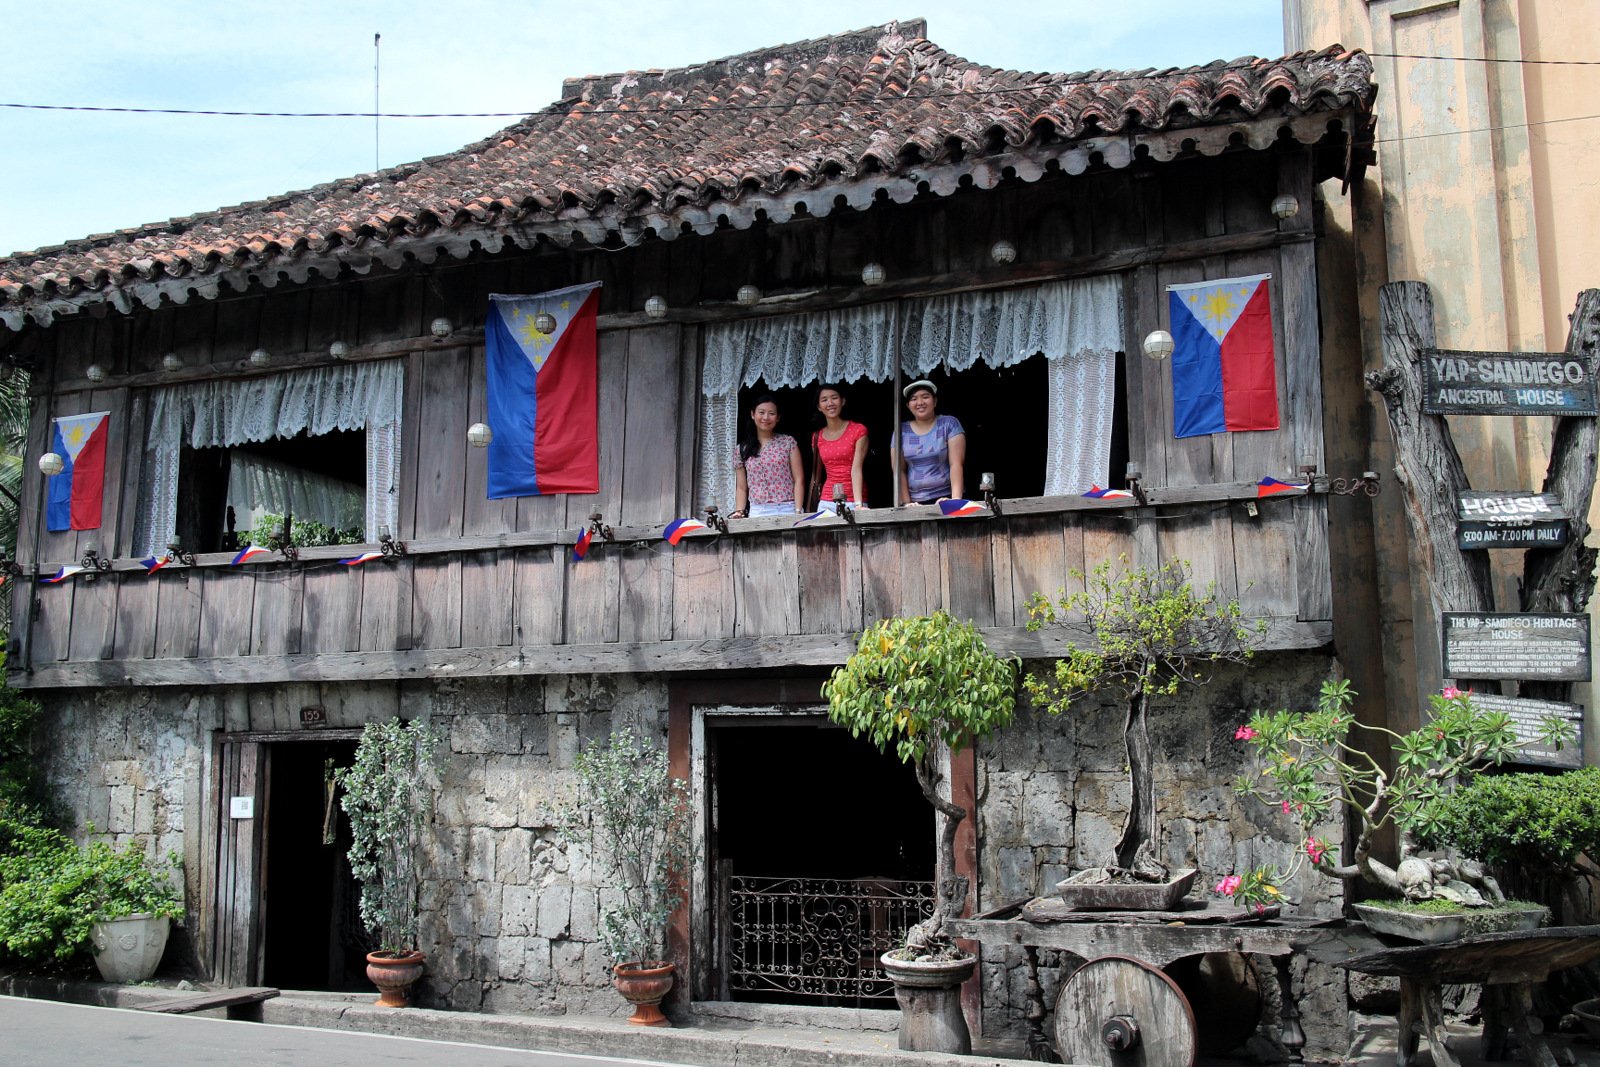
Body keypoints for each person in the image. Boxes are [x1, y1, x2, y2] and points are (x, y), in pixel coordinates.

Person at [730, 394, 803, 517]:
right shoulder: (742, 449)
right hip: (758, 510)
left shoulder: (788, 443)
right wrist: (739, 511)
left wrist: (797, 511)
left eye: (771, 413)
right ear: (753, 414)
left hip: (787, 508)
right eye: (761, 412)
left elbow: (799, 480)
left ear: (778, 417)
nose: (766, 417)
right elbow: (742, 487)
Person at [896, 379, 965, 504]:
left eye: (925, 397)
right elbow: (899, 470)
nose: (920, 402)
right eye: (913, 399)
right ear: (908, 406)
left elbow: (956, 464)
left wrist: (955, 500)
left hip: (946, 496)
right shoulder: (900, 431)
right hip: (914, 502)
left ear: (935, 401)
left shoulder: (949, 424)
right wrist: (907, 504)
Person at [810, 383, 868, 512]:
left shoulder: (858, 430)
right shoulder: (817, 436)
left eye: (834, 398)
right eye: (824, 400)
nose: (830, 403)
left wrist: (859, 504)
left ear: (843, 401)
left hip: (854, 499)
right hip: (826, 500)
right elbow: (816, 474)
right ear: (819, 407)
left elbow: (856, 468)